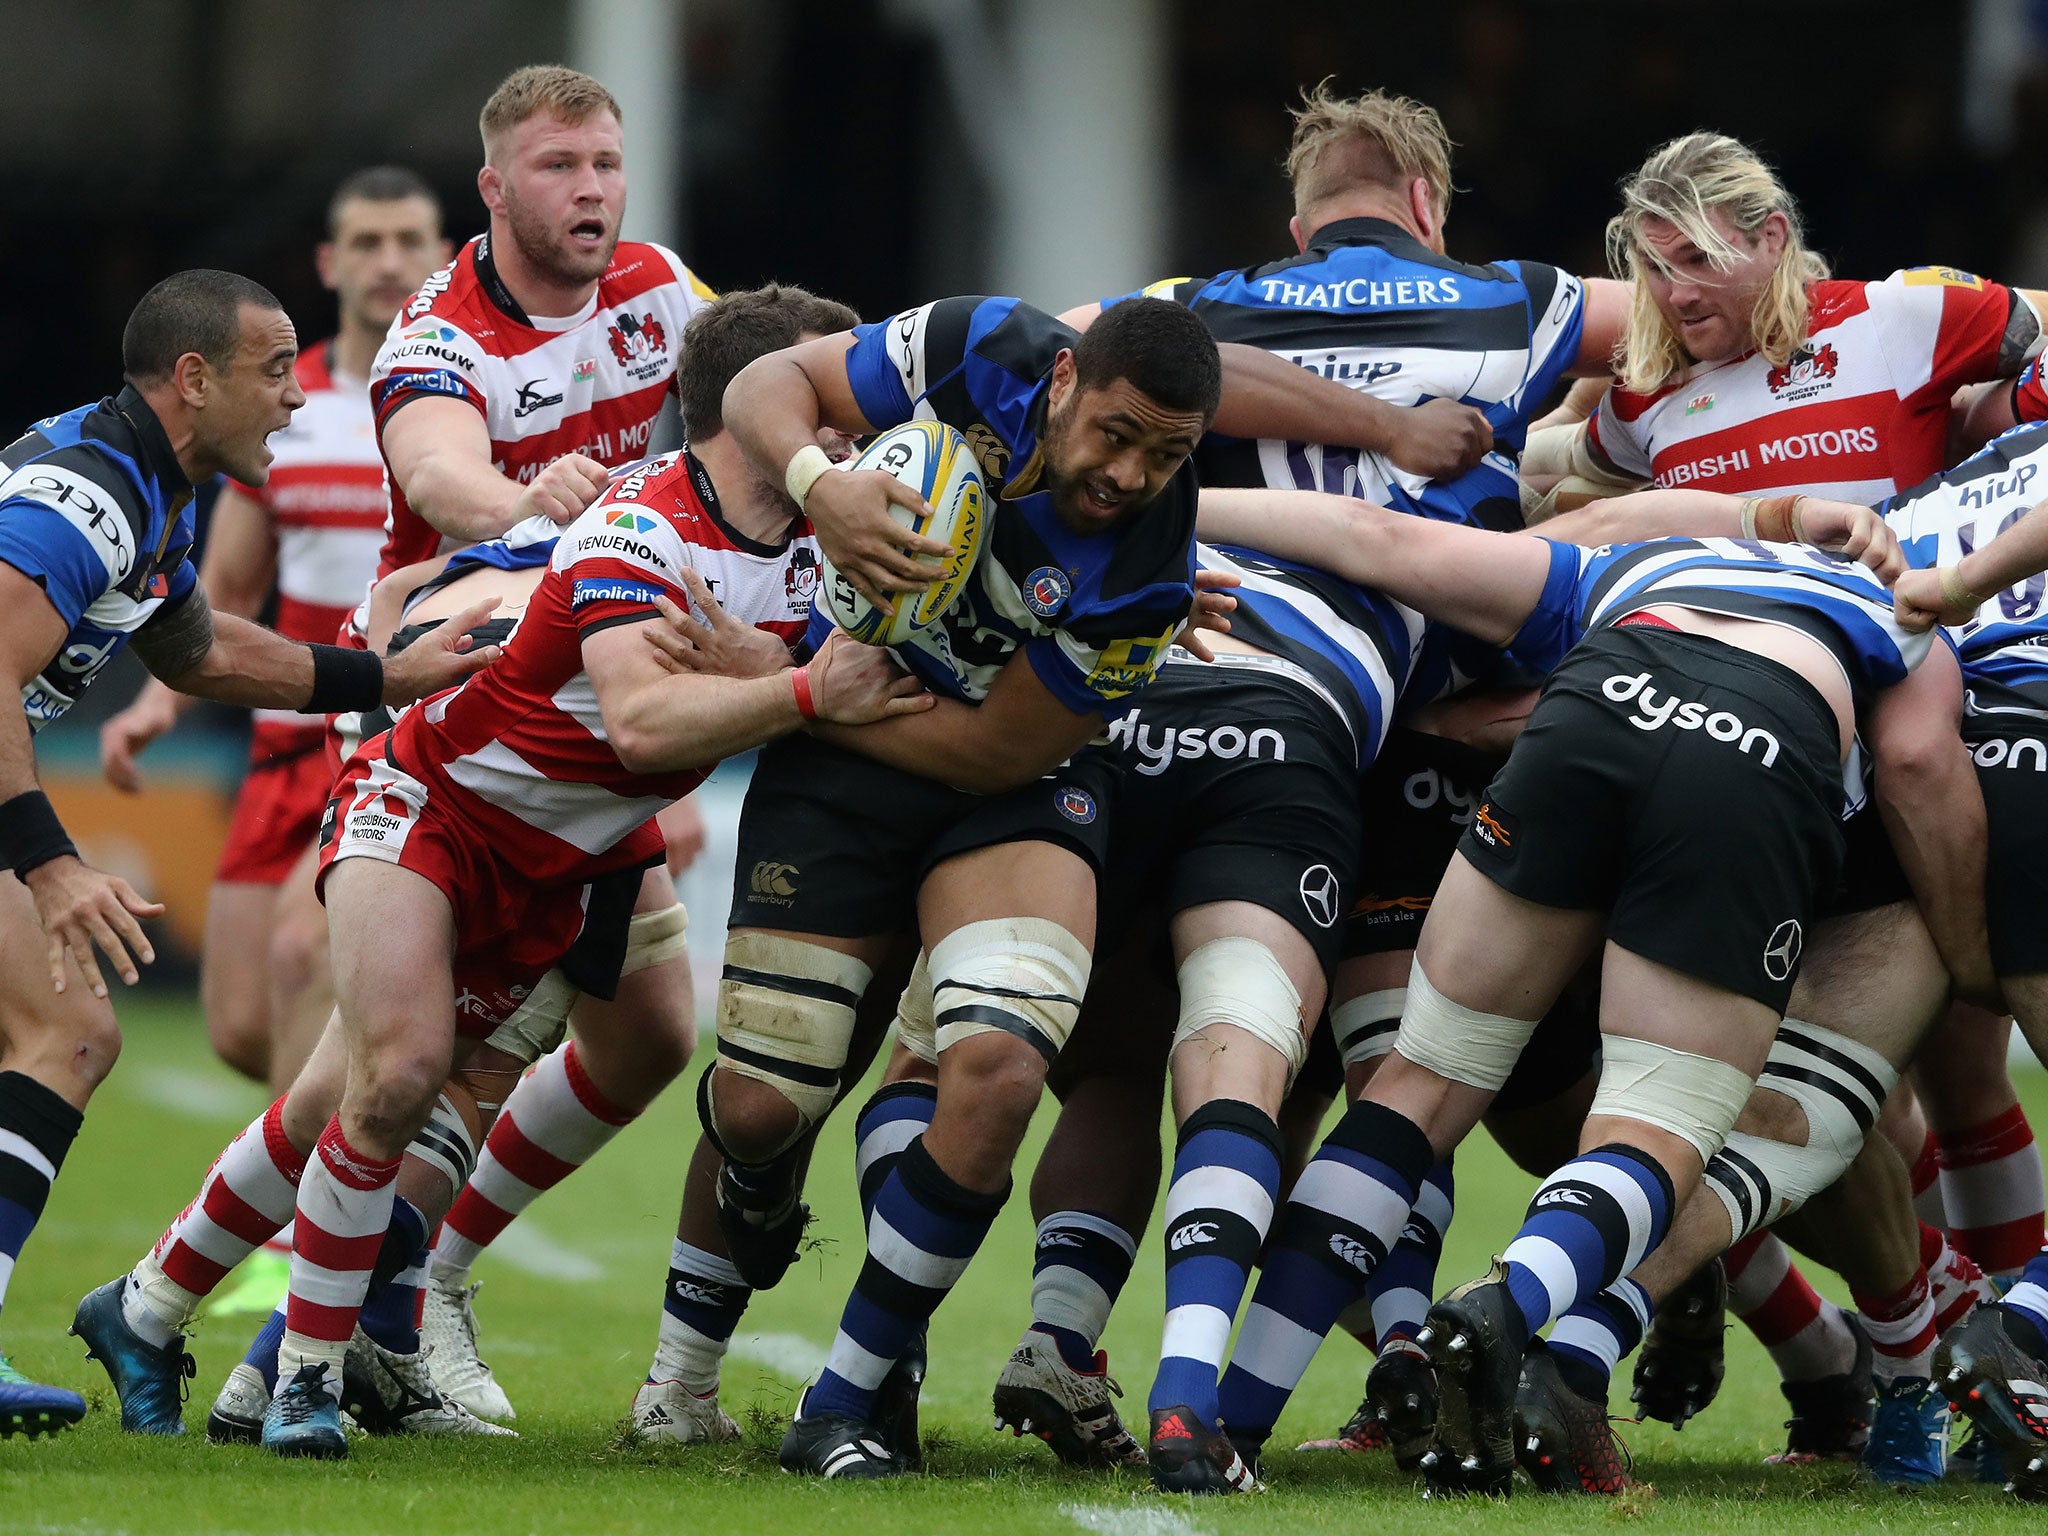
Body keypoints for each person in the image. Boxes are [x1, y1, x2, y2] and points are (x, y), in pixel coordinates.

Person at [76, 279, 924, 1459]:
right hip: (433, 806)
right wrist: (790, 691)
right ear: (753, 406)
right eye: (827, 394)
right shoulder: (645, 523)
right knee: (404, 1073)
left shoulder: (813, 557)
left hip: (559, 858)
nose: (848, 423)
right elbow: (634, 722)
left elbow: (431, 587)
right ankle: (306, 1379)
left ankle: (155, 1307)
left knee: (352, 1092)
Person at [1195, 487, 1979, 1498]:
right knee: (1654, 1133)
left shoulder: (1612, 568)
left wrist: (1182, 502)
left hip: (1595, 706)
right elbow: (1918, 764)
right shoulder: (1896, 615)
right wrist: (1968, 955)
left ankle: (1228, 1425)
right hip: (1756, 743)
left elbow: (1372, 537)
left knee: (1416, 1085)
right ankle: (1508, 1303)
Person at [1529, 130, 2048, 1470]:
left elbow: (2036, 344)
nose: (1672, 290)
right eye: (1650, 267)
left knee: (1959, 1061)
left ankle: (1996, 1374)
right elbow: (1566, 479)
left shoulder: (1913, 313)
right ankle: (1917, 1341)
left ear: (1771, 236)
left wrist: (2007, 422)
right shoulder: (1648, 404)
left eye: (1693, 258)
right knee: (1817, 1088)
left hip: (1929, 706)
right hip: (1770, 751)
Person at [0, 268, 492, 1437]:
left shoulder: (142, 488)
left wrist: (383, 677)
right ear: (193, 378)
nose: (291, 399)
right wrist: (51, 863)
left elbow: (201, 654)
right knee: (61, 1031)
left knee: (60, 1032)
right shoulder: (87, 501)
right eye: (274, 372)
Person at [360, 62, 719, 1418]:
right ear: (495, 188)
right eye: (561, 167)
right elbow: (441, 476)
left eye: (605, 164)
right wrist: (528, 498)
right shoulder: (438, 337)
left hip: (594, 720)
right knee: (413, 1066)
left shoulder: (655, 287)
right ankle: (307, 1316)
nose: (591, 191)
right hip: (463, 723)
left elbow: (755, 384)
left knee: (644, 1036)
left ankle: (414, 1283)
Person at [98, 167, 450, 1095]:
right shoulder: (277, 406)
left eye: (409, 240)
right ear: (329, 263)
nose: (389, 261)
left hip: (400, 733)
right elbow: (223, 590)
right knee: (240, 1024)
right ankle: (348, 1152)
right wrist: (154, 707)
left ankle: (318, 1223)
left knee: (304, 951)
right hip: (286, 725)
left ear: (446, 258)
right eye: (366, 242)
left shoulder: (461, 415)